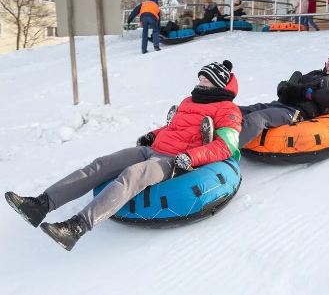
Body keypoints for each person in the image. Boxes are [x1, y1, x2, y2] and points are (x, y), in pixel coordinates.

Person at [5, 61, 242, 251]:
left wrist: (191, 158)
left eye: (206, 81)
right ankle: (40, 204)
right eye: (200, 79)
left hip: (175, 160)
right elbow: (173, 130)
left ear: (218, 85)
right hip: (153, 149)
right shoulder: (188, 101)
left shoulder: (227, 110)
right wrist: (152, 135)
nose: (200, 84)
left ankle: (75, 228)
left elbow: (226, 146)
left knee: (132, 175)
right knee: (101, 164)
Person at [239, 52, 329, 148]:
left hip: (297, 112)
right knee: (244, 110)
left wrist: (308, 93)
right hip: (282, 104)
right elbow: (288, 83)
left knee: (257, 118)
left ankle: (225, 149)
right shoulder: (316, 74)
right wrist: (284, 90)